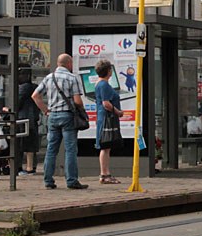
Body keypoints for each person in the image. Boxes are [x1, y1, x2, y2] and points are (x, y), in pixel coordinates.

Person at [31, 53, 88, 190]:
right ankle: (72, 181)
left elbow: (35, 95)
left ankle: (48, 181)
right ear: (69, 64)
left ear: (58, 63)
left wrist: (46, 110)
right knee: (70, 150)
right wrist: (82, 109)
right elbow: (77, 101)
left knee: (51, 149)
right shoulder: (72, 78)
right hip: (67, 116)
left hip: (53, 117)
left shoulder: (49, 78)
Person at [94, 59, 124, 184]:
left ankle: (105, 174)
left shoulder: (99, 83)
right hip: (106, 118)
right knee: (105, 146)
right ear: (108, 71)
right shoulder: (104, 85)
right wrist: (118, 112)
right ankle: (104, 174)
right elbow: (106, 103)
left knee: (106, 147)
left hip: (103, 117)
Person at [16, 65, 40, 175]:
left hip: (22, 118)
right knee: (31, 144)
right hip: (32, 118)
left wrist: (8, 109)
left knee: (20, 144)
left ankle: (19, 167)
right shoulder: (35, 87)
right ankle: (31, 167)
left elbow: (17, 103)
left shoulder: (23, 88)